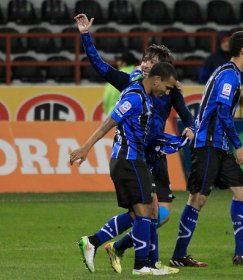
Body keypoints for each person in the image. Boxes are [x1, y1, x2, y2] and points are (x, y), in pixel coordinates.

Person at [73, 14, 194, 274]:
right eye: (146, 60)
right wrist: (85, 36)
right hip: (133, 154)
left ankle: (129, 253)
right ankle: (143, 262)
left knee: (157, 213)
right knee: (147, 210)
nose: (147, 65)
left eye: (154, 62)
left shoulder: (168, 90)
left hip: (153, 152)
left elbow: (186, 114)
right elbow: (99, 66)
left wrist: (191, 127)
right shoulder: (134, 87)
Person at [169, 31, 243, 268]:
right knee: (197, 199)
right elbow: (223, 112)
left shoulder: (228, 72)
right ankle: (178, 256)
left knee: (242, 190)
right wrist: (239, 146)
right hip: (208, 145)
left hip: (218, 146)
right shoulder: (229, 76)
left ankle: (241, 252)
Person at [70, 62, 178, 276]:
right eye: (167, 87)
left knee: (144, 212)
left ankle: (93, 242)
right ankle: (141, 266)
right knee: (145, 211)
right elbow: (110, 121)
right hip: (128, 160)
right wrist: (86, 147)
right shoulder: (135, 97)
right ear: (156, 80)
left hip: (135, 160)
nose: (167, 92)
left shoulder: (144, 94)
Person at [103, 51, 138, 115]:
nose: (117, 63)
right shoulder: (139, 75)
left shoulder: (115, 75)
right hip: (134, 115)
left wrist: (108, 112)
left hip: (114, 114)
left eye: (119, 60)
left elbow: (107, 97)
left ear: (124, 63)